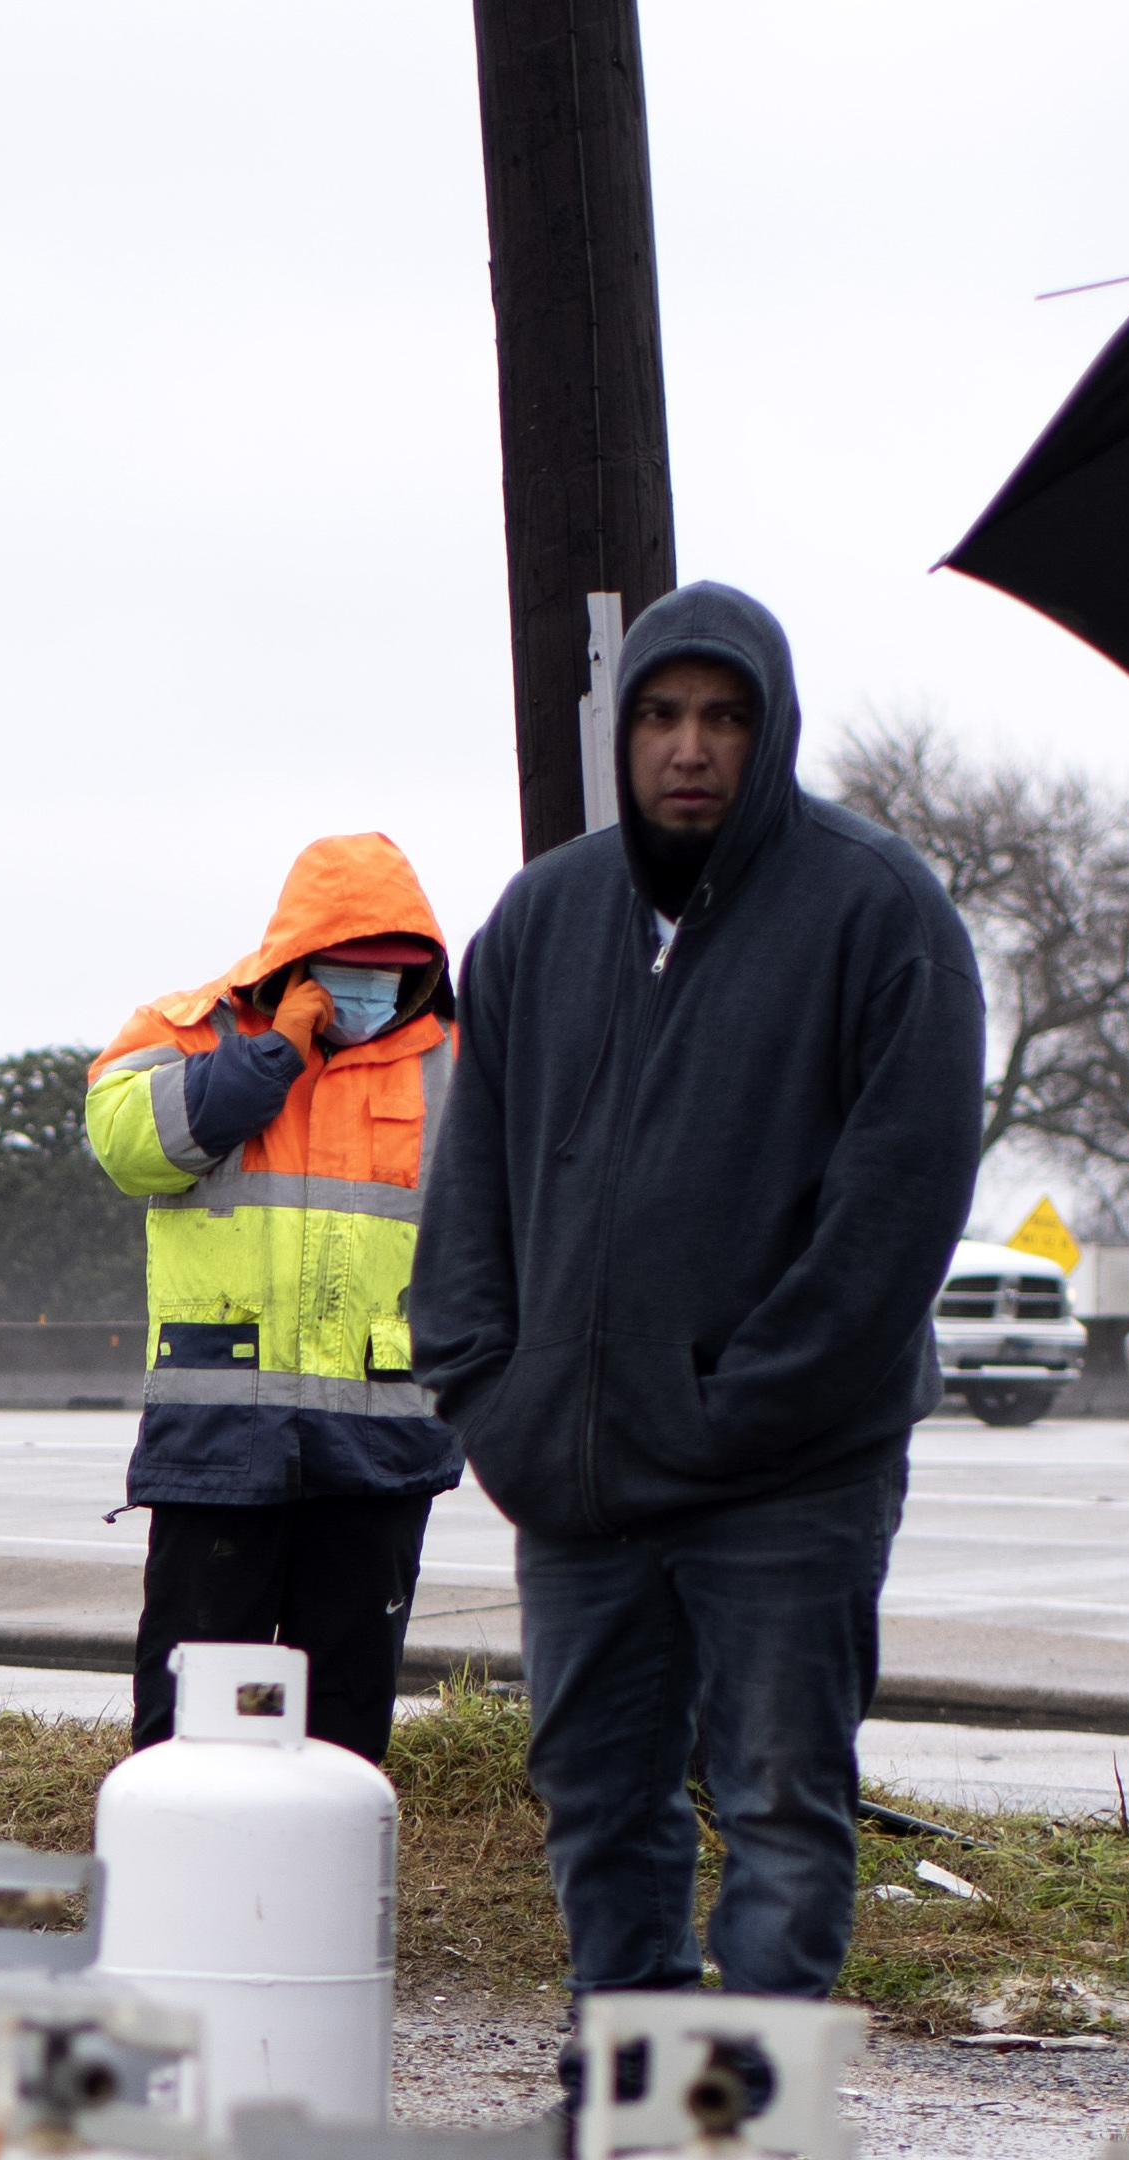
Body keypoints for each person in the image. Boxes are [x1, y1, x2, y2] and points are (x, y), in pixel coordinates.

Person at [409, 587, 986, 1997]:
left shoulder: (876, 908)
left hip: (785, 1476)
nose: (688, 747)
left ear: (768, 729)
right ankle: (628, 2119)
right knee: (599, 1803)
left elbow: (894, 1209)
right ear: (624, 731)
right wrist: (490, 1384)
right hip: (581, 1475)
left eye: (722, 717)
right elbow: (468, 1177)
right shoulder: (543, 915)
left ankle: (751, 2150)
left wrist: (740, 1402)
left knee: (781, 1805)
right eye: (661, 715)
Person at [80, 835, 459, 1755]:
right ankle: (190, 1891)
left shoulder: (461, 1065)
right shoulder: (187, 1030)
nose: (372, 993)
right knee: (203, 1727)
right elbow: (127, 1146)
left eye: (393, 973)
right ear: (295, 965)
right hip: (222, 1449)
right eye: (350, 971)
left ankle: (314, 1894)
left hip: (379, 1452)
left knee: (343, 1726)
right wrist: (272, 1057)